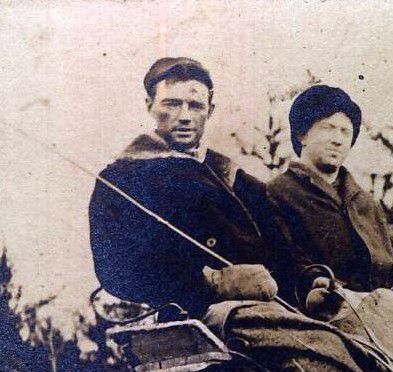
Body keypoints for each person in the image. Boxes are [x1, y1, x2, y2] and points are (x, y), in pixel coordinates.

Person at [88, 57, 293, 317]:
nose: (185, 117)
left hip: (270, 309)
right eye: (172, 104)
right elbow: (116, 271)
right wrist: (214, 282)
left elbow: (283, 253)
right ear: (149, 105)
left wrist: (309, 286)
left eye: (195, 106)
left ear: (210, 110)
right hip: (189, 321)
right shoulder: (121, 179)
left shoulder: (237, 179)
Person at [266, 84, 393, 312]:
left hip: (389, 311)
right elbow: (288, 261)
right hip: (329, 312)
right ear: (302, 135)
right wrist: (315, 283)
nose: (338, 139)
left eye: (345, 132)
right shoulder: (278, 193)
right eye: (328, 128)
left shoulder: (364, 202)